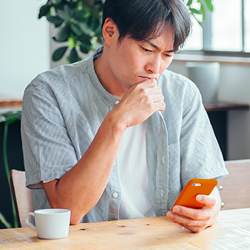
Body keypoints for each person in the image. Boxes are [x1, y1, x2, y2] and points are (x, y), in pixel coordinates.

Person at [21, 0, 228, 233]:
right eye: (147, 49)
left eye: (168, 54)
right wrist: (116, 122)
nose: (156, 68)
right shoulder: (48, 92)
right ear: (110, 31)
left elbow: (204, 186)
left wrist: (210, 209)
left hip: (164, 241)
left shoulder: (182, 93)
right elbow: (68, 210)